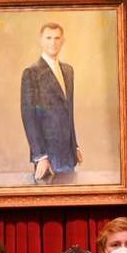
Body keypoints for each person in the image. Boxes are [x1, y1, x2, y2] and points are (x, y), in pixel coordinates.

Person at [20, 22, 81, 183]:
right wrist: (40, 156)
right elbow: (29, 117)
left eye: (57, 38)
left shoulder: (68, 71)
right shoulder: (31, 73)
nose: (53, 42)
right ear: (41, 41)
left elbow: (68, 113)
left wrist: (75, 145)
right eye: (48, 38)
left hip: (68, 154)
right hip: (48, 157)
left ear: (62, 41)